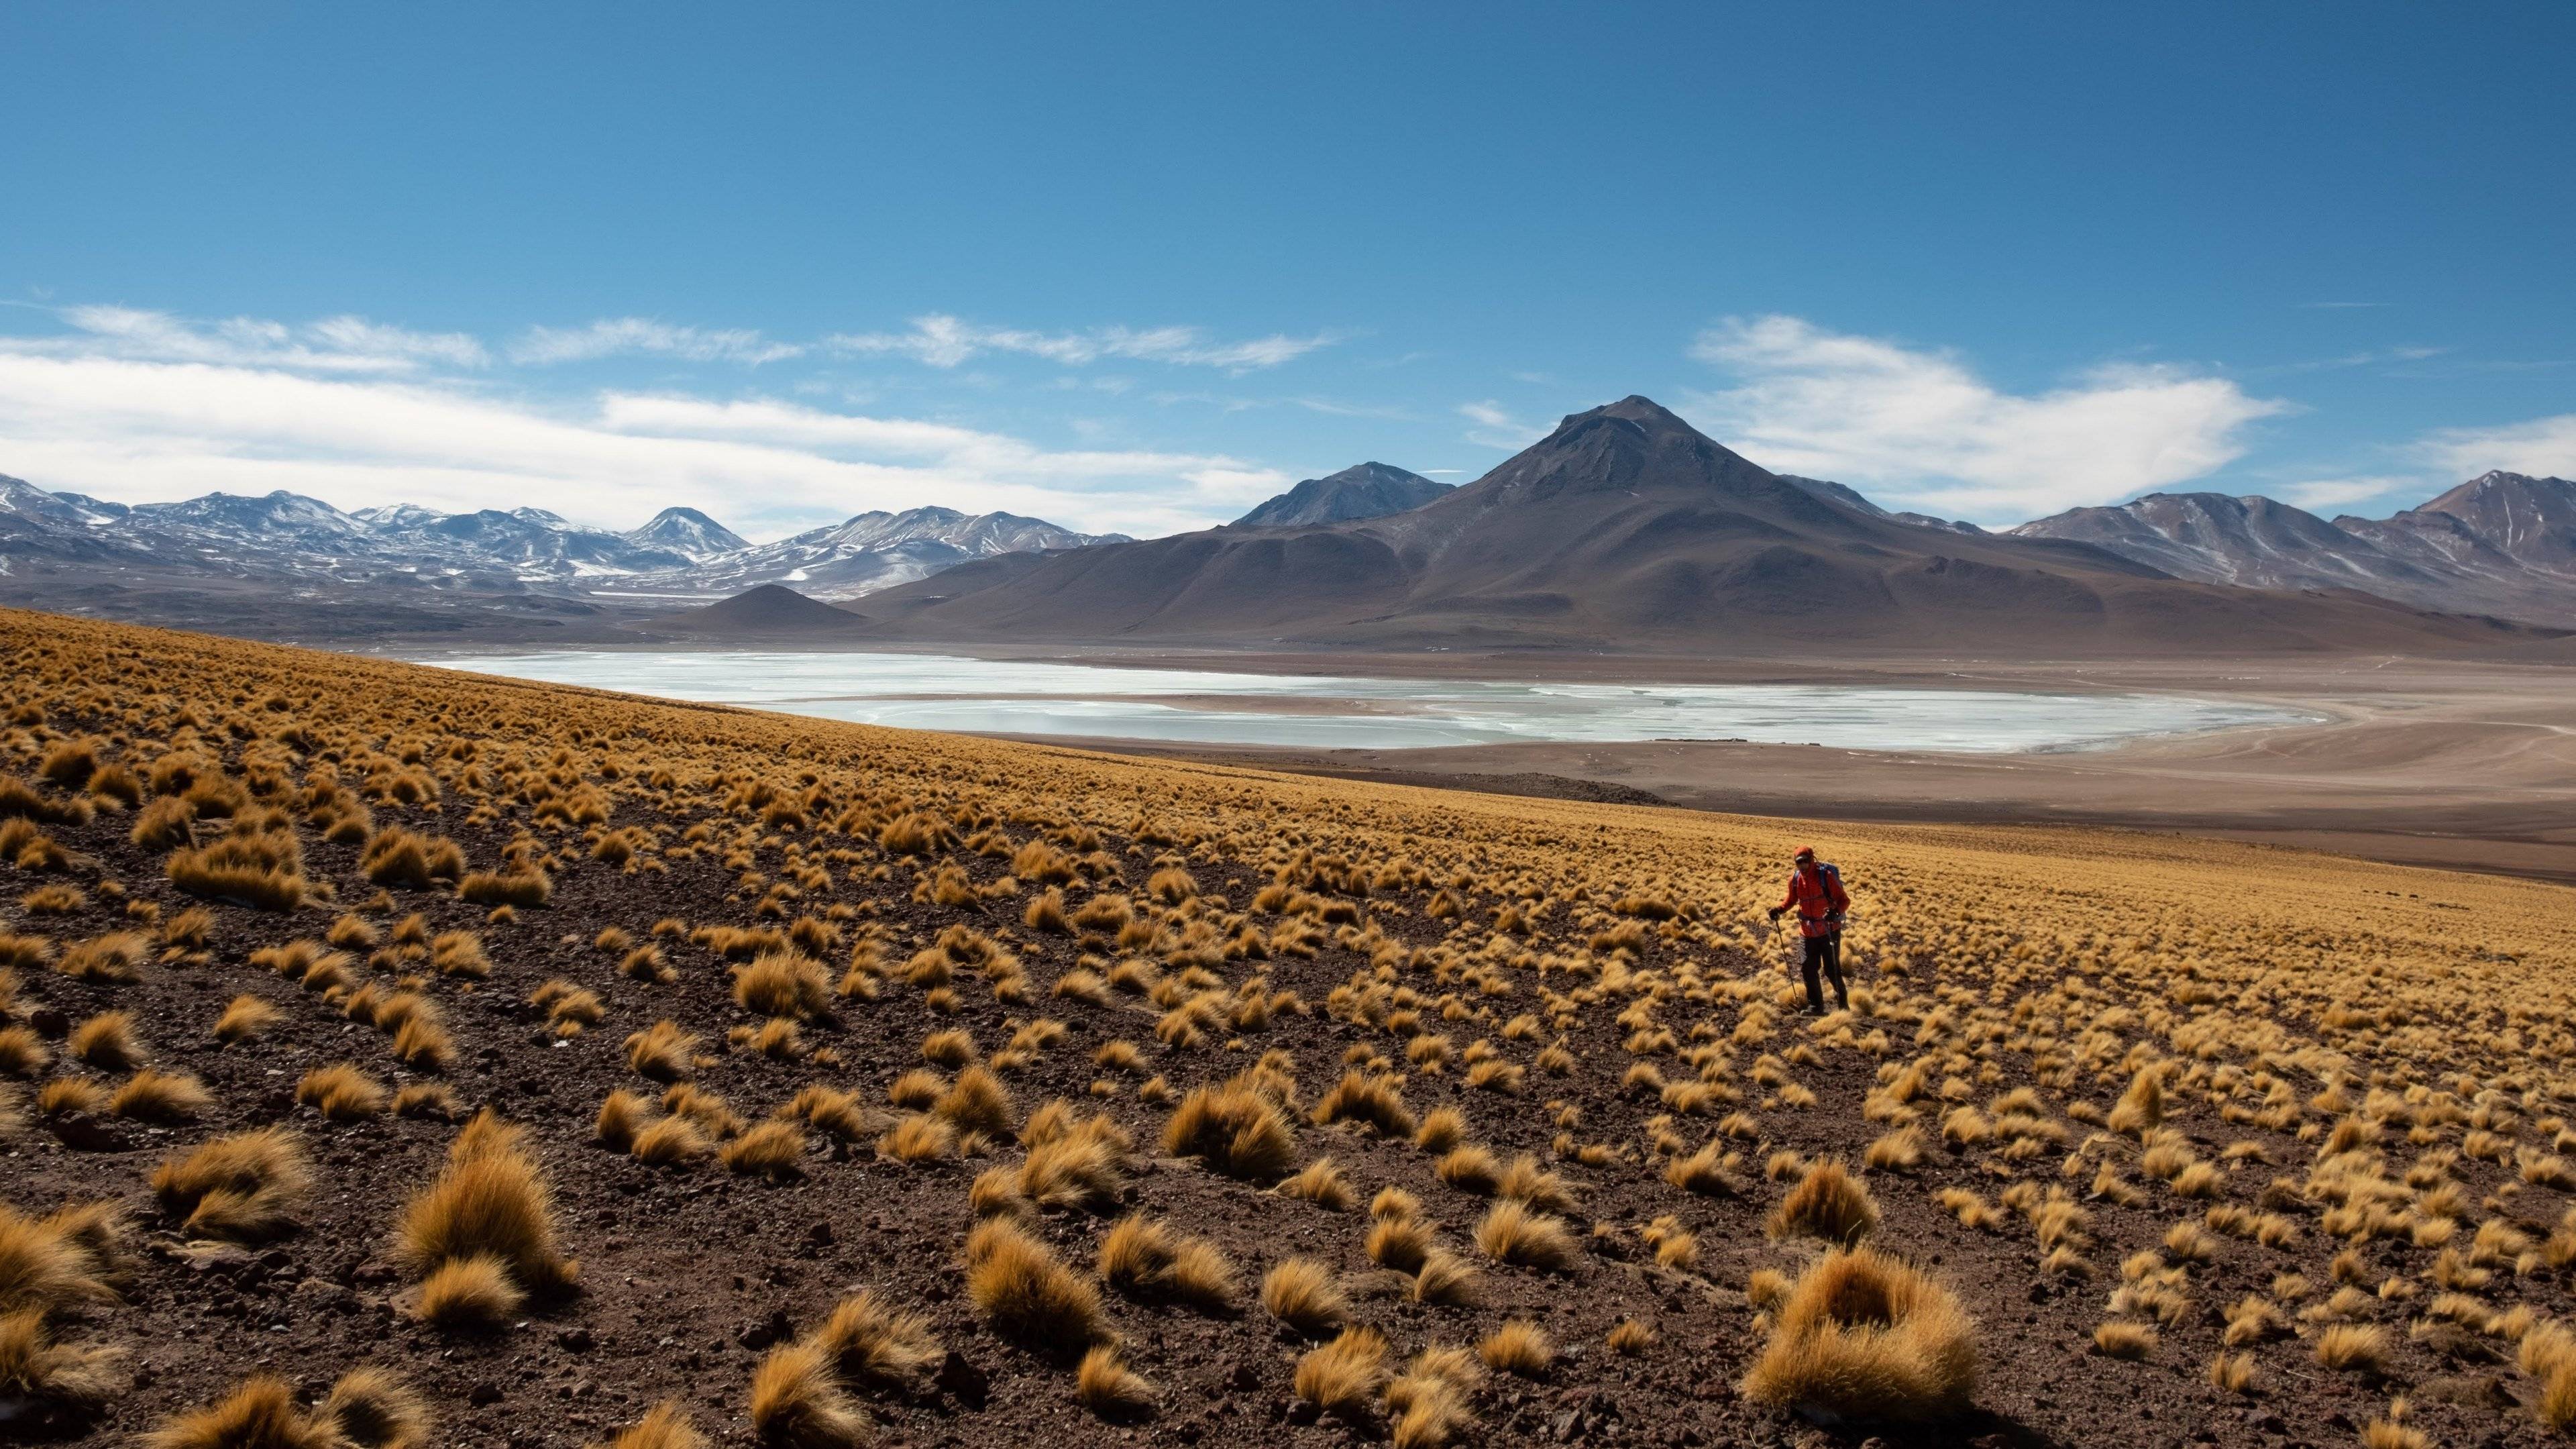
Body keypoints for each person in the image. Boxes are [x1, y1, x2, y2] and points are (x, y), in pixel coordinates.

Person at [1767, 845, 1849, 1013]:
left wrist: (1835, 912)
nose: (1802, 866)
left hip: (1829, 929)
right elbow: (1790, 900)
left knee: (1831, 969)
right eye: (1799, 863)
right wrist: (1780, 909)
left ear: (1812, 860)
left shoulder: (1826, 877)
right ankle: (1816, 1007)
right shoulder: (1795, 880)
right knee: (1808, 968)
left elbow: (1844, 901)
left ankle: (1843, 1005)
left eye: (1805, 861)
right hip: (1807, 931)